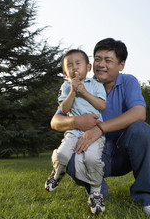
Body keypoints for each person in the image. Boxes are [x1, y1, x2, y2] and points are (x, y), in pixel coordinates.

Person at [50, 38, 150, 216]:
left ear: (121, 65)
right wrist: (76, 122)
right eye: (97, 59)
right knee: (69, 149)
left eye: (108, 60)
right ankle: (96, 191)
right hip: (92, 149)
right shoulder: (80, 84)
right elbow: (55, 121)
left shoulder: (128, 82)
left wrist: (100, 128)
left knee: (143, 130)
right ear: (91, 63)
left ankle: (148, 198)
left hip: (122, 151)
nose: (101, 65)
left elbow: (139, 113)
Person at [44, 49, 107, 214]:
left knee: (92, 159)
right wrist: (73, 90)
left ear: (88, 67)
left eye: (78, 63)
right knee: (62, 155)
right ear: (65, 72)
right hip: (73, 131)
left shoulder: (96, 85)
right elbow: (63, 109)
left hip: (94, 132)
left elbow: (102, 106)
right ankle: (57, 172)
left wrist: (84, 91)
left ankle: (95, 193)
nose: (74, 68)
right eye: (69, 66)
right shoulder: (65, 86)